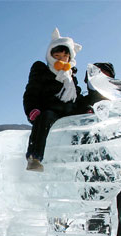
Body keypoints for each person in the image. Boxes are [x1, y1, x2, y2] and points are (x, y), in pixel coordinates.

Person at [23, 28, 83, 172]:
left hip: (69, 112)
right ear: (50, 55)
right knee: (45, 118)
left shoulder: (71, 78)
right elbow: (31, 92)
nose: (61, 59)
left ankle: (80, 160)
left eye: (64, 56)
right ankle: (34, 157)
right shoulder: (42, 70)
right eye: (57, 55)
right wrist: (32, 109)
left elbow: (78, 98)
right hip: (50, 110)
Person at [82, 62, 121, 236]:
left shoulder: (119, 104)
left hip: (113, 168)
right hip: (87, 168)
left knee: (115, 212)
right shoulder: (80, 103)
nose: (100, 78)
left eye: (105, 74)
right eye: (96, 74)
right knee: (92, 212)